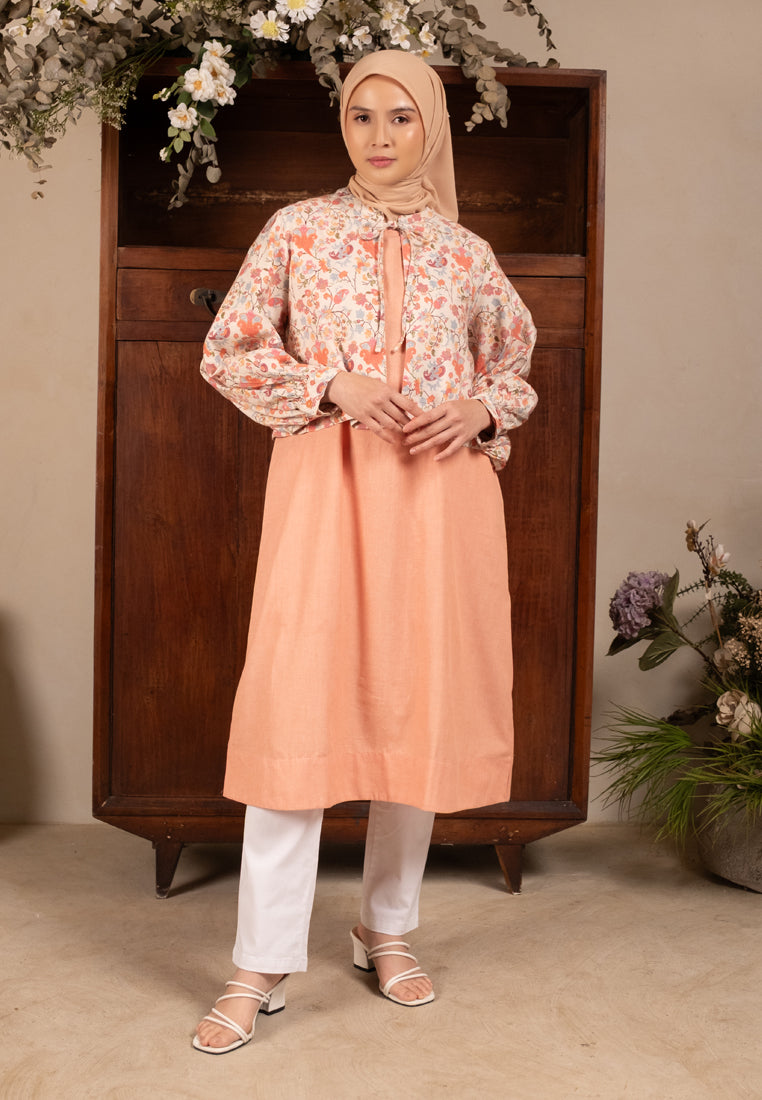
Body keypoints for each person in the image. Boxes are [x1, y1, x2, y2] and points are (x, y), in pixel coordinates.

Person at [193, 48, 537, 1054]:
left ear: (431, 127)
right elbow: (229, 346)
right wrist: (329, 385)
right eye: (360, 116)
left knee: (416, 708)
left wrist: (479, 408)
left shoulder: (465, 252)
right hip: (325, 494)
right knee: (295, 710)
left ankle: (385, 927)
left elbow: (515, 363)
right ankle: (259, 962)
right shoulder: (297, 229)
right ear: (341, 125)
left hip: (439, 500)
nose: (380, 137)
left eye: (401, 117)